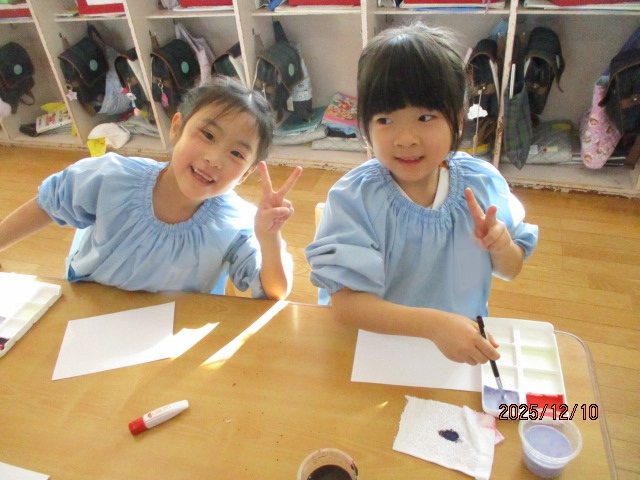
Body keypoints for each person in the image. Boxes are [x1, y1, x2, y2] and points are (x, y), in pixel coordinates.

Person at [305, 24, 538, 365]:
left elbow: (510, 269)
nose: (406, 139)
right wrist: (433, 326)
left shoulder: (481, 184)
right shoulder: (355, 200)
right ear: (365, 127)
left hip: (458, 350)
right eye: (385, 120)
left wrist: (501, 246)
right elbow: (346, 306)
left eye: (425, 117)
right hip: (375, 351)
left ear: (457, 120)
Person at [0, 75, 302, 300]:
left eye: (236, 153)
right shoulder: (111, 178)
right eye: (208, 135)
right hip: (92, 309)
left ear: (246, 173)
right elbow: (50, 203)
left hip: (171, 334)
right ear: (176, 128)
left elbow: (274, 292)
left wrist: (269, 239)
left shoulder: (237, 222)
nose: (214, 159)